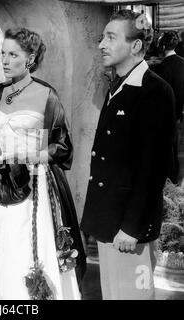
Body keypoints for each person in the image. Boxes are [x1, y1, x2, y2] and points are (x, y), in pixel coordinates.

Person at [0, 28, 86, 300]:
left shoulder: (47, 95)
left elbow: (63, 146)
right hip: (1, 184)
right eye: (3, 54)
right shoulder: (0, 91)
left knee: (26, 248)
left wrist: (34, 156)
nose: (5, 60)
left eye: (13, 54)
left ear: (30, 58)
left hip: (34, 185)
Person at [81, 10, 176, 300]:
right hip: (110, 221)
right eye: (102, 37)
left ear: (136, 46)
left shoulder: (154, 91)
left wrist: (132, 227)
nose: (101, 44)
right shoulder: (118, 86)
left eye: (111, 37)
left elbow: (152, 168)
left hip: (128, 231)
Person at [156, 31, 184, 184]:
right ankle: (176, 177)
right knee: (176, 145)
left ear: (163, 46)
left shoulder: (162, 67)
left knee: (167, 147)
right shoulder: (182, 62)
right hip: (179, 112)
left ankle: (169, 177)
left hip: (166, 113)